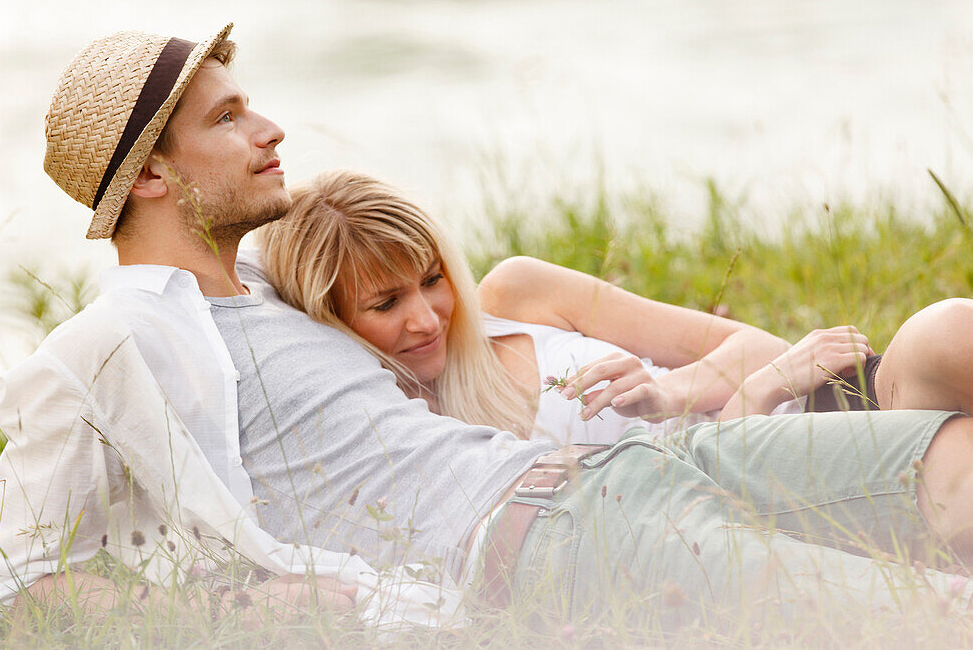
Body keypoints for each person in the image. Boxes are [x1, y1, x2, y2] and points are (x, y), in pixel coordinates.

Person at [0, 23, 973, 630]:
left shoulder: (271, 286)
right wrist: (224, 611)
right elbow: (6, 584)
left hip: (639, 465)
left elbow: (414, 277)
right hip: (545, 542)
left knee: (952, 465)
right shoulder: (107, 345)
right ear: (148, 175)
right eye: (227, 120)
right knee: (922, 616)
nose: (270, 129)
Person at [257, 169, 973, 440]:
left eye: (433, 279)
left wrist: (672, 388)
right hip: (789, 482)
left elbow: (757, 345)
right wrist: (736, 396)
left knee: (948, 334)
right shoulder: (409, 429)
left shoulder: (517, 293)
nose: (427, 315)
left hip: (834, 410)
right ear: (330, 320)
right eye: (385, 302)